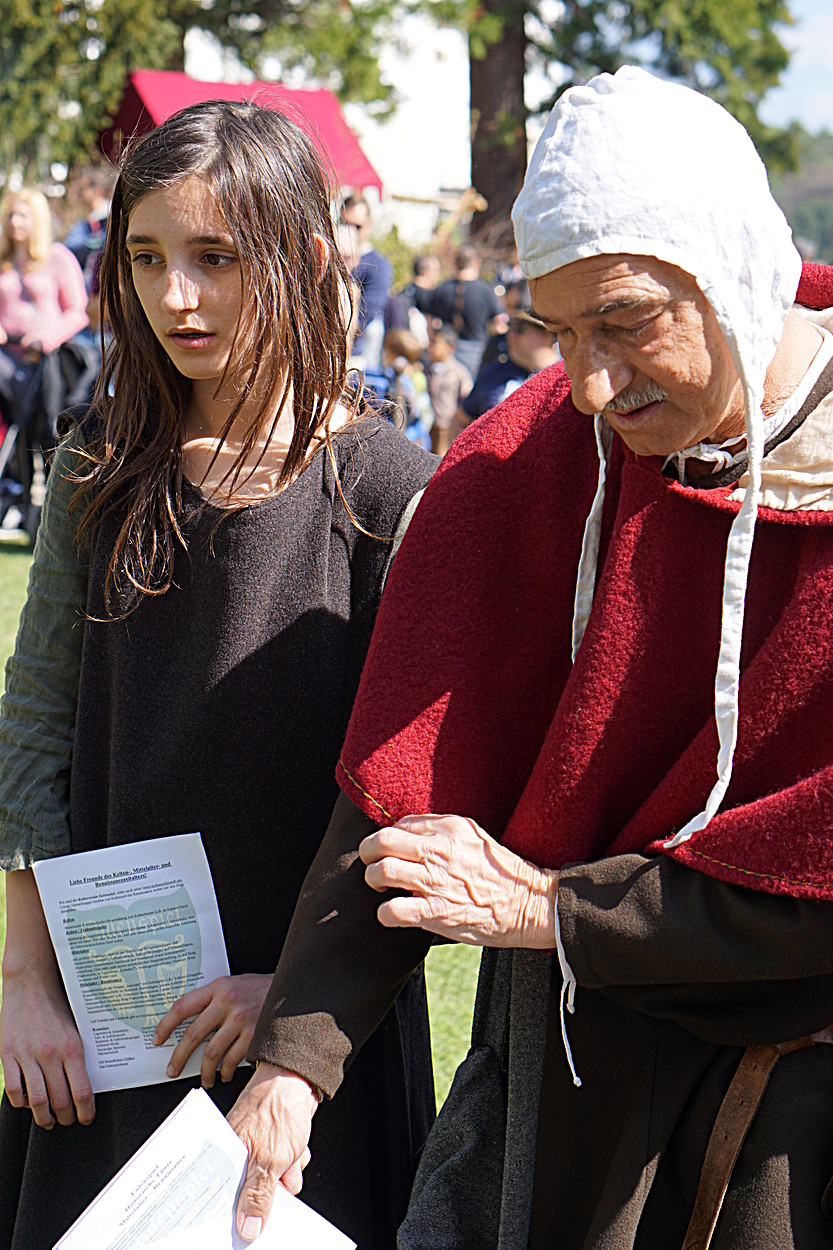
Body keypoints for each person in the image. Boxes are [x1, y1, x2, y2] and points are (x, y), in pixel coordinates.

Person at [226, 67, 833, 1249]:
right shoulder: (534, 458)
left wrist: (554, 907)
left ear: (731, 271)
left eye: (624, 321)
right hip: (568, 1068)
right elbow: (403, 793)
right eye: (557, 333)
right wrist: (292, 1064)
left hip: (793, 1114)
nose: (591, 384)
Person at [0, 100, 437, 1250]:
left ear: (301, 257)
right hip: (107, 1037)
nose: (173, 297)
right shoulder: (101, 466)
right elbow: (37, 722)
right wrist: (25, 982)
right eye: (144, 258)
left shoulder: (391, 493)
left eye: (213, 257)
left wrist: (294, 1009)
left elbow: (409, 802)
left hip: (310, 1058)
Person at [459, 306, 558, 428]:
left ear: (548, 333)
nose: (511, 335)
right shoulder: (493, 373)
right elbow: (462, 418)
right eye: (509, 328)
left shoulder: (566, 375)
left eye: (520, 329)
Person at [428, 244, 503, 377]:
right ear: (477, 263)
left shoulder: (442, 289)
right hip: (476, 351)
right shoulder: (485, 291)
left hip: (447, 351)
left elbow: (431, 323)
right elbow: (498, 324)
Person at [341, 193, 393, 369]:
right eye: (344, 223)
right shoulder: (328, 256)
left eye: (357, 225)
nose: (351, 230)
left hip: (353, 356)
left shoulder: (378, 265)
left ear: (368, 224)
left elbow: (366, 314)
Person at [424, 324, 472, 456]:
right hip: (430, 425)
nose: (431, 348)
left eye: (436, 344)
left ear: (450, 347)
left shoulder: (458, 372)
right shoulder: (428, 369)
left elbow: (466, 398)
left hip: (448, 427)